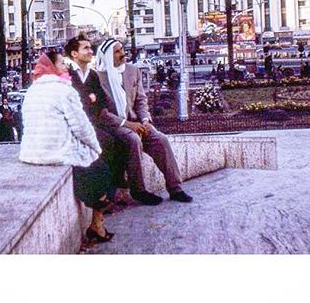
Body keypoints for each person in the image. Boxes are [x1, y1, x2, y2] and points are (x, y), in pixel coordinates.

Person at [19, 50, 114, 244]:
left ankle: (97, 224)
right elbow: (81, 126)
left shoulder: (32, 90)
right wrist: (96, 148)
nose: (66, 67)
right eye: (62, 64)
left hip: (33, 152)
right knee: (104, 168)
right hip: (57, 152)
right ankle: (97, 224)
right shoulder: (64, 90)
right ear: (53, 67)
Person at [96, 39, 192, 205]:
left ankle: (175, 188)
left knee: (160, 139)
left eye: (122, 49)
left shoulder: (133, 71)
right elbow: (101, 112)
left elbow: (141, 100)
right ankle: (138, 190)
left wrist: (145, 120)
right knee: (133, 140)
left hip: (137, 122)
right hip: (114, 126)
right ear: (106, 56)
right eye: (117, 52)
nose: (122, 54)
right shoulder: (97, 78)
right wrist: (127, 125)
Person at [65, 35, 130, 203]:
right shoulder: (67, 74)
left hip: (94, 123)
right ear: (74, 54)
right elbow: (73, 103)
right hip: (75, 127)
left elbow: (99, 102)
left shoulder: (92, 75)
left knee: (123, 140)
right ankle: (102, 196)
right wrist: (89, 99)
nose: (90, 51)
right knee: (106, 144)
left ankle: (114, 189)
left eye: (90, 47)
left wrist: (91, 99)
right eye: (85, 48)